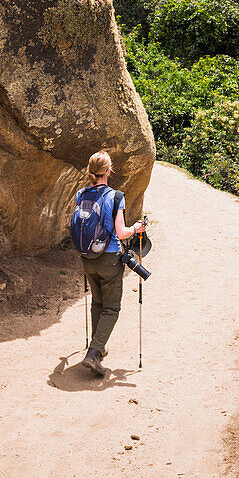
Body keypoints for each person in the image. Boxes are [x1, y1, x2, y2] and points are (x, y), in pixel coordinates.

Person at [77, 150, 145, 377]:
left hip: (87, 258)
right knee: (112, 308)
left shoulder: (81, 194)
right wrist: (136, 228)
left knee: (97, 303)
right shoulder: (115, 197)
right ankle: (94, 353)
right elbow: (121, 232)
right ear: (108, 170)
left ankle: (98, 347)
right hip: (109, 258)